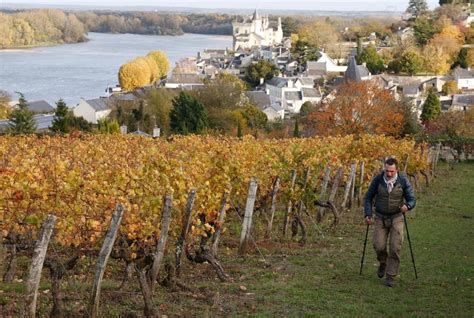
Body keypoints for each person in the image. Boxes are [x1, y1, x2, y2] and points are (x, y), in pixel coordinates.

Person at [364, 157, 416, 287]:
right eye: (387, 171)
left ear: (396, 170)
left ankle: (391, 275)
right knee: (378, 245)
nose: (389, 174)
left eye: (392, 171)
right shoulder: (378, 180)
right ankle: (383, 262)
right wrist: (368, 214)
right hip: (380, 217)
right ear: (384, 168)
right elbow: (368, 197)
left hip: (396, 217)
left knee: (395, 247)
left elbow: (411, 199)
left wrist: (408, 206)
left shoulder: (403, 180)